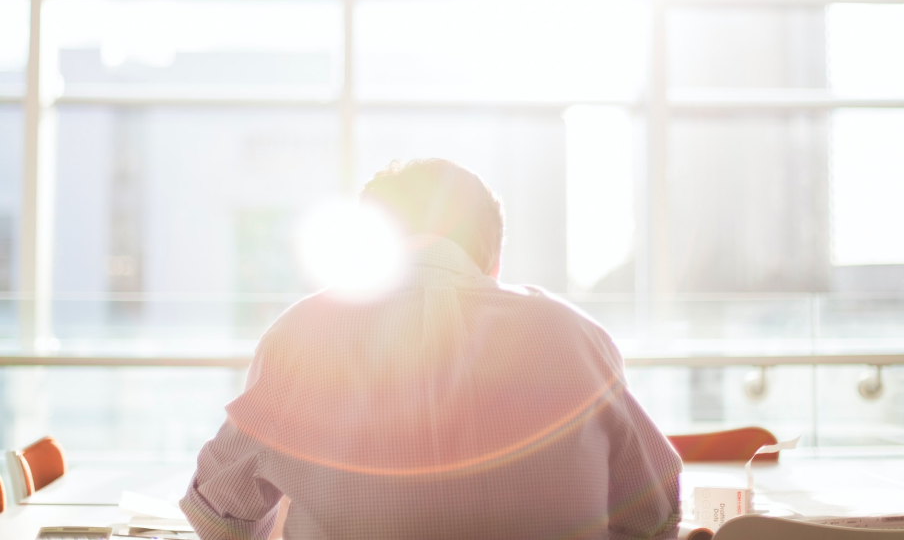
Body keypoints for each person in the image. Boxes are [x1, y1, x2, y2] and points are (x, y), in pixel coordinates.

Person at [181, 158, 681, 540]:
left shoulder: (303, 334)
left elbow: (217, 515)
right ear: (494, 258)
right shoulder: (575, 337)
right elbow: (655, 513)